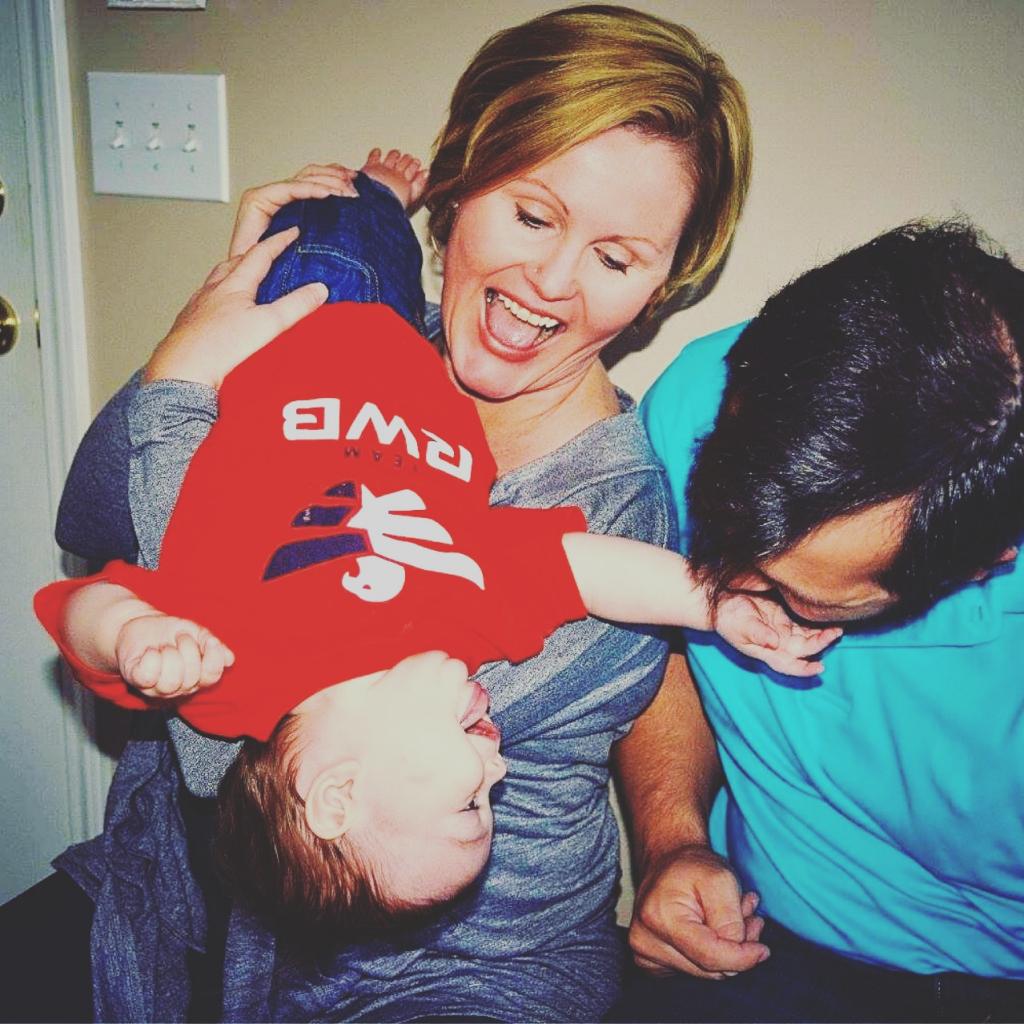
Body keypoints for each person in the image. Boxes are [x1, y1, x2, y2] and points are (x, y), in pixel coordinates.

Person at [26, 6, 755, 1020]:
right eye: (532, 213)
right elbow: (94, 525)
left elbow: (222, 742)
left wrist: (676, 836)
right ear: (455, 186)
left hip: (464, 963)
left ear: (660, 287)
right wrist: (197, 344)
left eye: (616, 257)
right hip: (186, 903)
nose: (549, 282)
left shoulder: (609, 506)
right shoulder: (354, 339)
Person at [616, 221, 1024, 1023]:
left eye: (782, 594)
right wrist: (673, 840)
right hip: (763, 932)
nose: (725, 589)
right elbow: (661, 643)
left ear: (983, 564)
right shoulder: (699, 391)